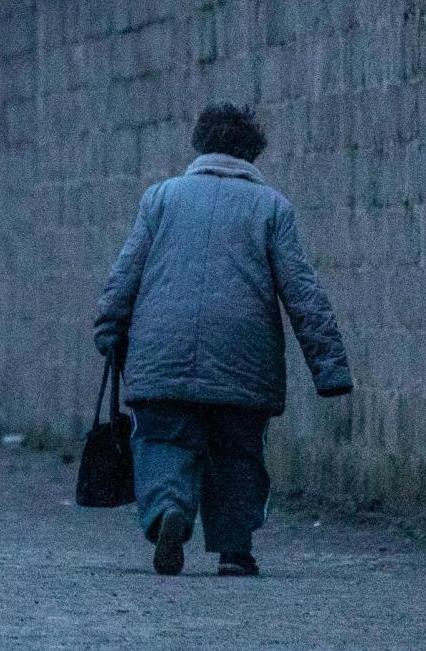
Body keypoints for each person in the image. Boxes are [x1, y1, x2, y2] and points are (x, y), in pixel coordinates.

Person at [92, 103, 352, 577]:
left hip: (161, 351)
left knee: (163, 439)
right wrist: (329, 367)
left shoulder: (161, 198)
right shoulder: (272, 207)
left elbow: (125, 272)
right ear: (253, 151)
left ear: (199, 144)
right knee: (237, 451)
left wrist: (108, 328)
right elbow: (302, 290)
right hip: (243, 356)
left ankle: (171, 510)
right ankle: (235, 550)